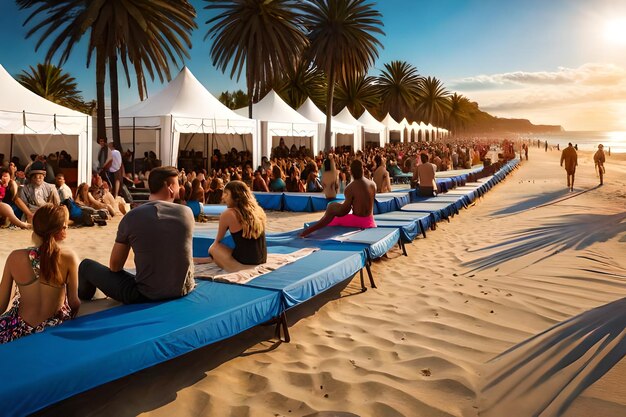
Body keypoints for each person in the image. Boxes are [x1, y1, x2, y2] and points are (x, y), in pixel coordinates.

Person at [78, 166, 195, 303]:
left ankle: (83, 300)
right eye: (177, 184)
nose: (179, 188)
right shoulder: (187, 213)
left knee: (86, 265)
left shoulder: (132, 217)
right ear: (169, 186)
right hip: (182, 290)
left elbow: (115, 266)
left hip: (145, 295)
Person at [0, 204, 80, 343]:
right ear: (62, 229)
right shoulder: (69, 258)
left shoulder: (15, 257)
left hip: (21, 330)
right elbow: (74, 302)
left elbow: (1, 304)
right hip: (55, 327)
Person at [301, 159, 376, 237]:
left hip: (358, 222)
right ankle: (313, 227)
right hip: (370, 220)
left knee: (331, 209)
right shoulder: (373, 184)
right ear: (362, 170)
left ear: (351, 172)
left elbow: (345, 211)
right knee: (333, 207)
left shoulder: (350, 187)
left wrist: (332, 208)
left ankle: (309, 231)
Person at [205, 180, 267, 272]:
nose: (223, 197)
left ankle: (238, 268)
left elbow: (217, 241)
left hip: (244, 262)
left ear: (236, 196)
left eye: (226, 194)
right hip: (261, 259)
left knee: (213, 249)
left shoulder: (228, 214)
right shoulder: (258, 211)